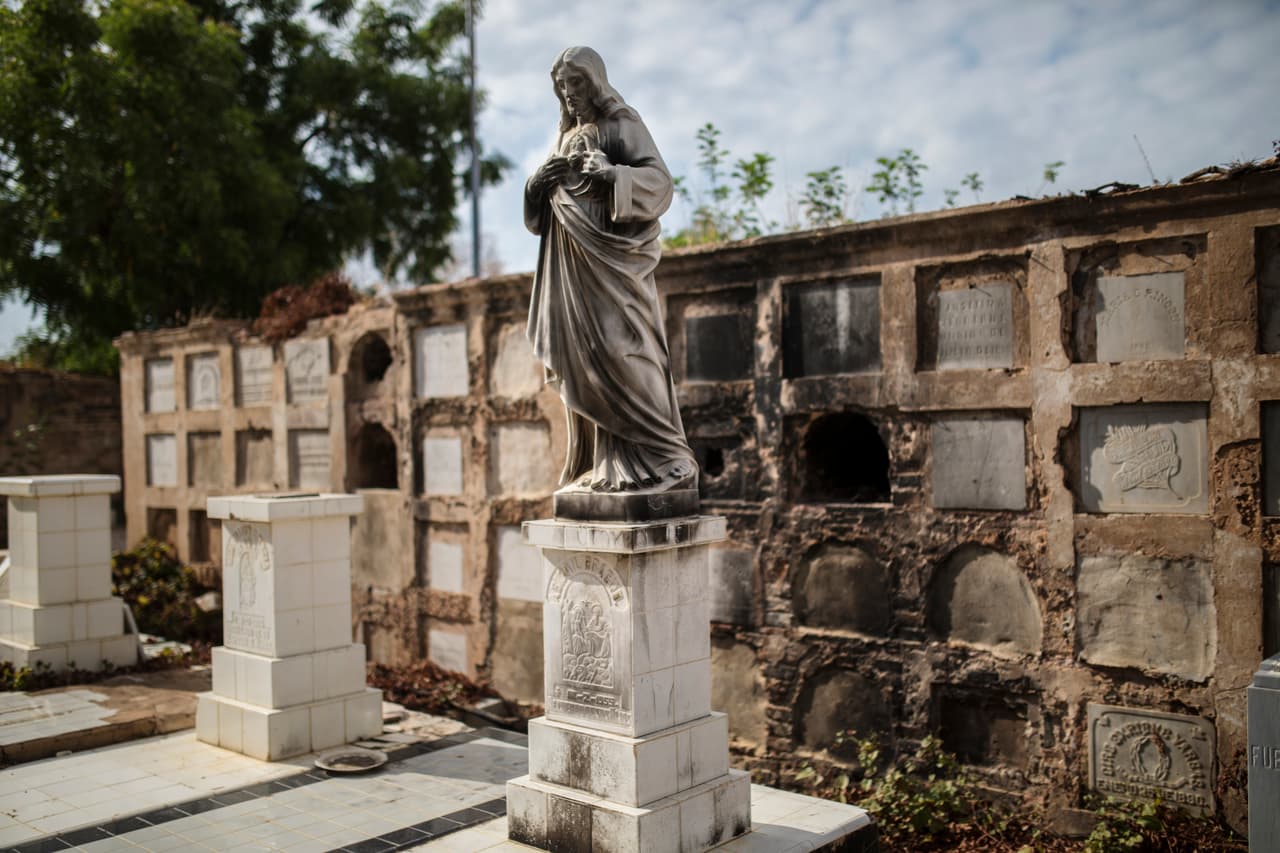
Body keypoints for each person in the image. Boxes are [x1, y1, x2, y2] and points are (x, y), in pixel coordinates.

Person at [524, 46, 696, 495]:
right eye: (562, 86)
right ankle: (604, 467)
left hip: (615, 262)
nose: (569, 93)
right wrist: (536, 186)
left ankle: (666, 456)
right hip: (571, 269)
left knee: (624, 350)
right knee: (584, 360)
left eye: (576, 82)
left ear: (595, 81)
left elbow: (660, 184)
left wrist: (613, 174)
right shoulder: (562, 138)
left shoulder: (623, 125)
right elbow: (541, 216)